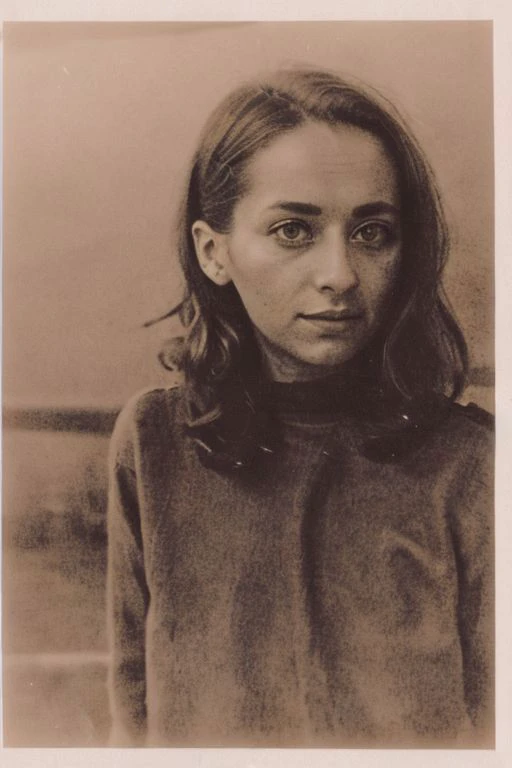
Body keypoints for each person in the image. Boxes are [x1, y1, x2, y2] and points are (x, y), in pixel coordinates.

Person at [106, 68, 493, 748]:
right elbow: (132, 719)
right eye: (293, 230)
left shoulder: (473, 465)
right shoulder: (152, 443)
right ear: (214, 251)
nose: (340, 274)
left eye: (373, 233)